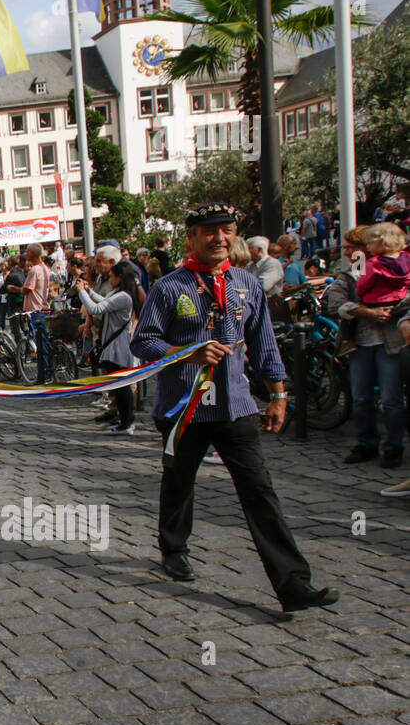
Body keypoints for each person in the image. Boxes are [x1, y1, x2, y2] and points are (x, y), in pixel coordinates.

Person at [130, 203, 339, 613]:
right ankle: (173, 548)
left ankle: (294, 585)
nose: (219, 239)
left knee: (260, 492)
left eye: (226, 230)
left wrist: (279, 395)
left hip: (236, 407)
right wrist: (186, 354)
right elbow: (143, 342)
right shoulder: (170, 287)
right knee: (179, 482)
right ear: (191, 237)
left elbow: (264, 343)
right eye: (209, 232)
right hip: (182, 407)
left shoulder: (246, 283)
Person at [339, 222, 410, 468]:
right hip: (360, 344)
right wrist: (364, 311)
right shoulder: (353, 272)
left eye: (352, 247)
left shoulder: (397, 265)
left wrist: (396, 309)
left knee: (392, 398)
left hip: (390, 342)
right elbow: (337, 302)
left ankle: (394, 448)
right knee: (361, 397)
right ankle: (367, 444)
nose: (347, 252)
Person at [76, 262, 139, 435]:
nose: (109, 279)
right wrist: (89, 292)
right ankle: (124, 420)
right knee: (118, 386)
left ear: (120, 277)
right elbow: (105, 302)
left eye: (112, 276)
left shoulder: (124, 296)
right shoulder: (120, 294)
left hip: (118, 346)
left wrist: (81, 292)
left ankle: (127, 423)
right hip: (114, 345)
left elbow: (97, 308)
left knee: (122, 386)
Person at [15, 244, 52, 384]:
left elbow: (26, 289)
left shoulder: (35, 270)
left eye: (28, 252)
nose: (26, 254)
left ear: (34, 254)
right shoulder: (45, 269)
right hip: (44, 307)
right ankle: (47, 372)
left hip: (36, 309)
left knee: (41, 344)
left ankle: (45, 374)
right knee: (45, 341)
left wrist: (15, 289)